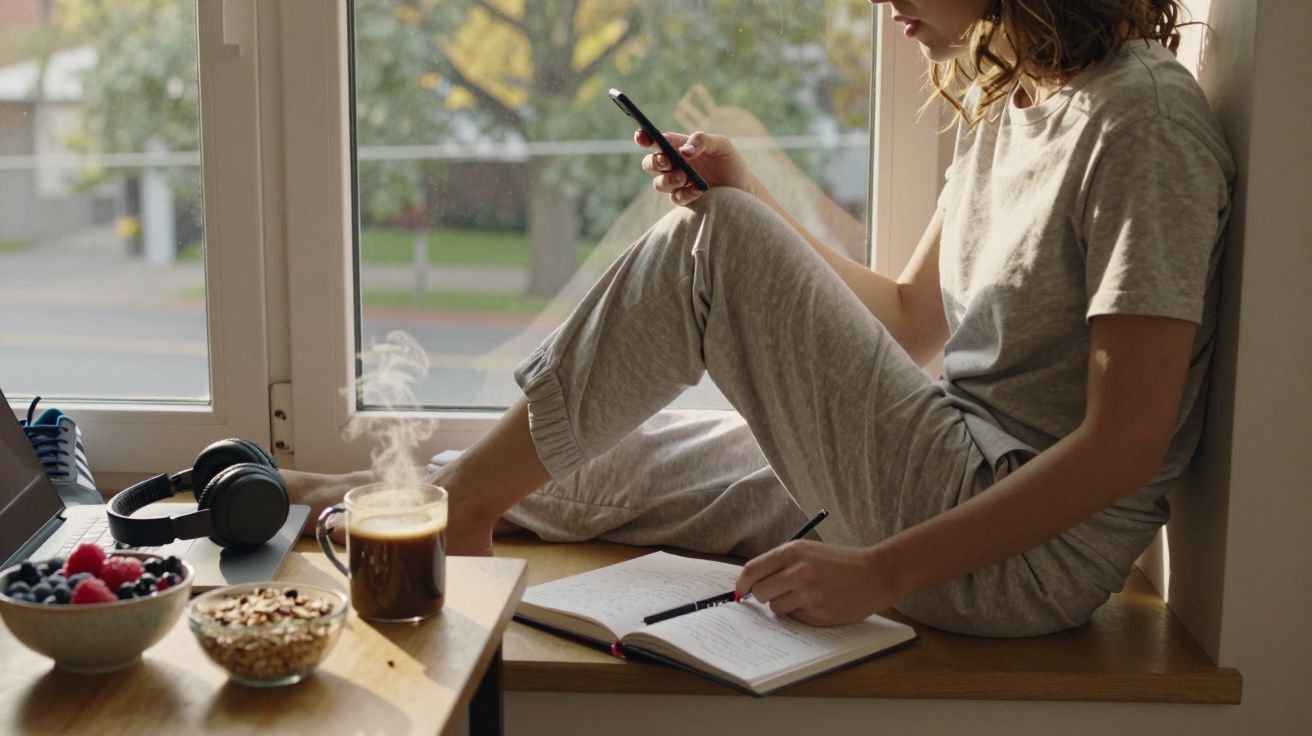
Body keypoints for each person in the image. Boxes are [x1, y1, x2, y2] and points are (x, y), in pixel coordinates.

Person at [285, 0, 1233, 637]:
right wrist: (748, 196)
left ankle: (458, 515)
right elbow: (909, 321)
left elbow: (1127, 444)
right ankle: (349, 499)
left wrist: (881, 575)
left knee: (715, 243)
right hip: (944, 461)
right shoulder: (1016, 102)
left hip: (1025, 552)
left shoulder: (1143, 120)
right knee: (631, 459)